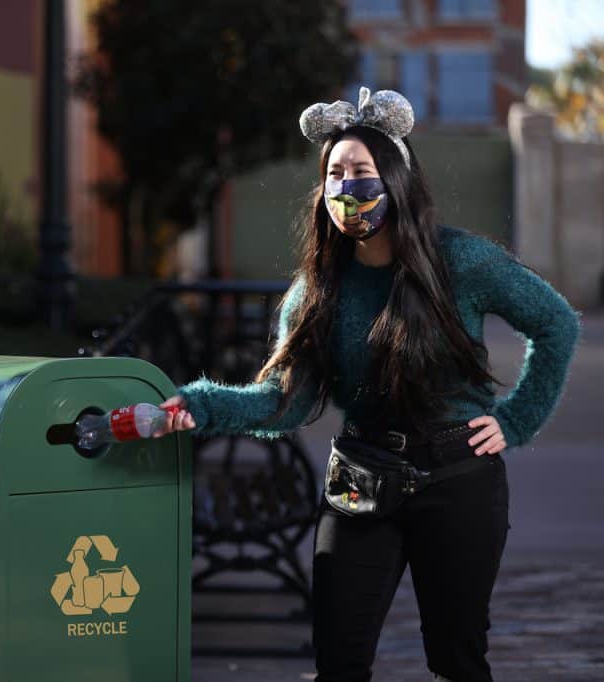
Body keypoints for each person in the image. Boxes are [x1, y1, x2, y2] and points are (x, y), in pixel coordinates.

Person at [155, 87, 580, 681]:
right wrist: (201, 405)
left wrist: (517, 420)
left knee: (457, 659)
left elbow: (556, 324)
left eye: (361, 170)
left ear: (398, 178)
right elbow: (283, 404)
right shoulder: (315, 291)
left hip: (457, 482)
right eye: (334, 173)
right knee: (339, 659)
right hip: (359, 485)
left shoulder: (461, 261)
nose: (346, 186)